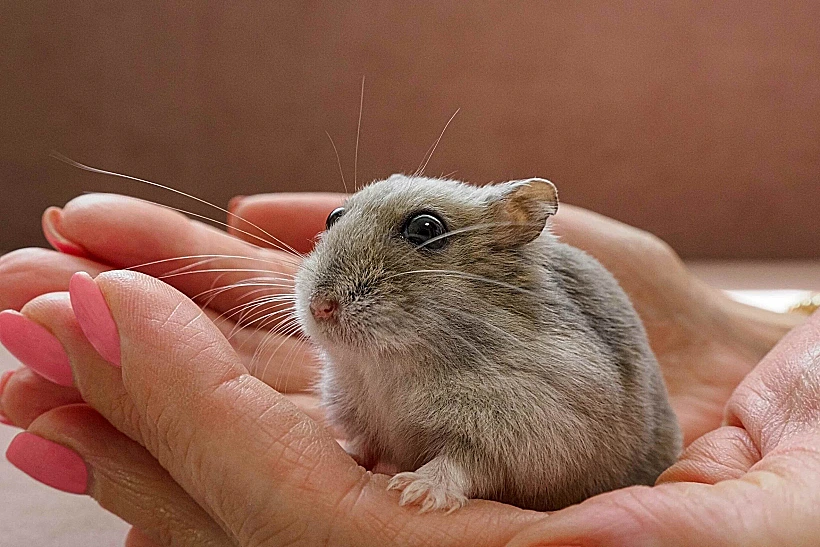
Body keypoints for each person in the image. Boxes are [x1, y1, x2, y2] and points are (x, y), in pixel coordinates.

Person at [0, 192, 816, 546]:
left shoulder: (531, 340)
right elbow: (350, 403)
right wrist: (358, 436)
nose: (324, 286)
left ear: (511, 230)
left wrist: (459, 467)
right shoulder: (348, 327)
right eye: (336, 226)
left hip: (618, 459)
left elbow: (565, 424)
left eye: (421, 231)